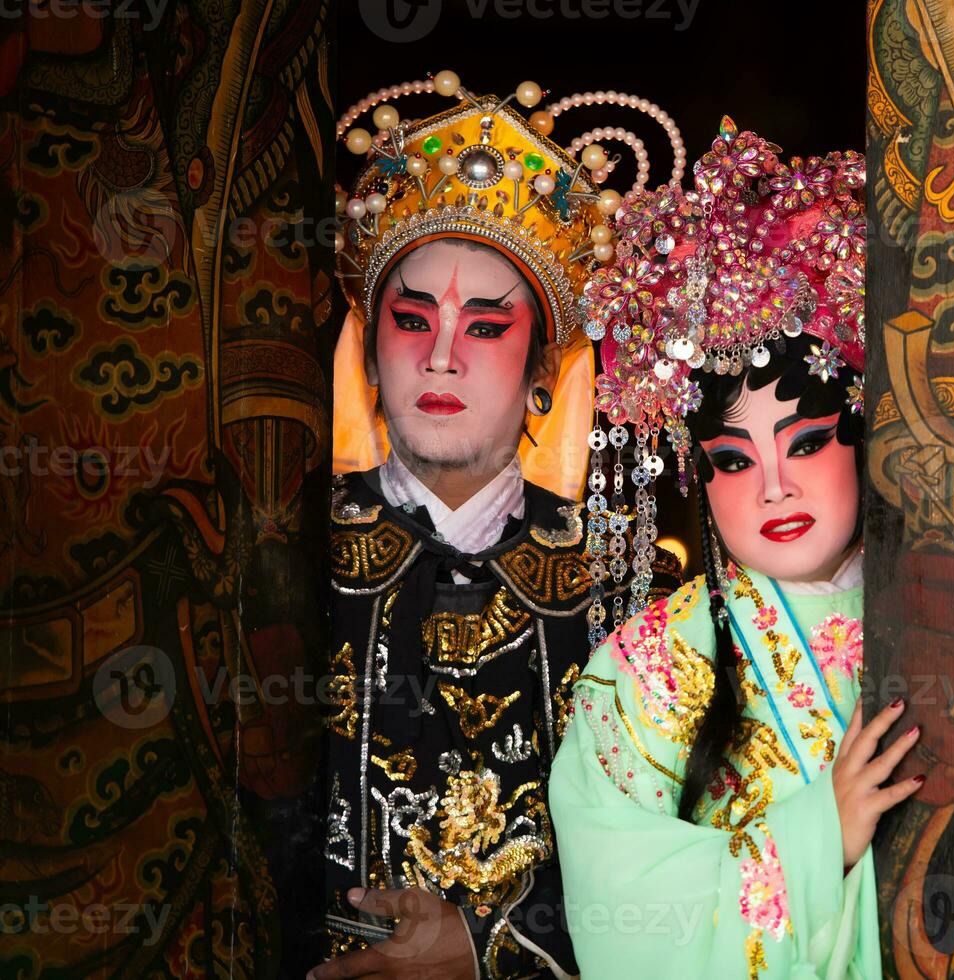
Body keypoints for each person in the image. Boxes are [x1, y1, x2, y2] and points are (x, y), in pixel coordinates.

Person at [316, 72, 680, 979]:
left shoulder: (635, 590)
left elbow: (686, 856)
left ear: (543, 368)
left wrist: (490, 943)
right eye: (411, 320)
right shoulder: (281, 561)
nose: (440, 356)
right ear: (367, 350)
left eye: (484, 328)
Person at [549, 122, 913, 978]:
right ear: (694, 474)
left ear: (865, 436)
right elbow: (620, 921)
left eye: (810, 442)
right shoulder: (647, 669)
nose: (774, 486)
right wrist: (823, 832)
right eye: (733, 459)